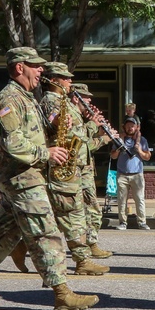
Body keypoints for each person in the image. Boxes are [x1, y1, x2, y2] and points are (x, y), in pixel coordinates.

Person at [0, 47, 99, 310]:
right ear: (20, 67)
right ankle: (62, 293)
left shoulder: (28, 97)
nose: (42, 70)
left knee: (5, 235)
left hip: (29, 176)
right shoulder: (9, 98)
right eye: (36, 65)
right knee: (46, 232)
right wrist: (47, 153)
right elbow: (13, 143)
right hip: (21, 178)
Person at [33, 62, 109, 275]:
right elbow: (72, 133)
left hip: (72, 165)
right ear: (55, 80)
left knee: (69, 213)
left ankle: (81, 258)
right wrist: (92, 125)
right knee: (70, 213)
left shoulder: (62, 100)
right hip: (62, 166)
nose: (70, 81)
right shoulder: (50, 101)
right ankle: (81, 260)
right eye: (66, 78)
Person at [71, 83, 114, 258]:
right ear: (76, 98)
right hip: (75, 170)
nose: (89, 100)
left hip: (86, 169)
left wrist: (100, 128)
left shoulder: (81, 117)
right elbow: (82, 146)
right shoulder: (73, 117)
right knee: (72, 212)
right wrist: (103, 138)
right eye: (85, 97)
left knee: (91, 209)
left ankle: (91, 243)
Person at [112, 117, 151, 230]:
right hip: (122, 174)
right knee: (122, 200)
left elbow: (148, 157)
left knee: (139, 199)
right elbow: (113, 156)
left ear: (136, 127)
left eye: (132, 126)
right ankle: (122, 222)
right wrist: (118, 149)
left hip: (137, 175)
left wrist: (139, 150)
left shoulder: (142, 140)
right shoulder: (119, 139)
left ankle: (142, 222)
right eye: (128, 125)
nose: (130, 128)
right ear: (124, 127)